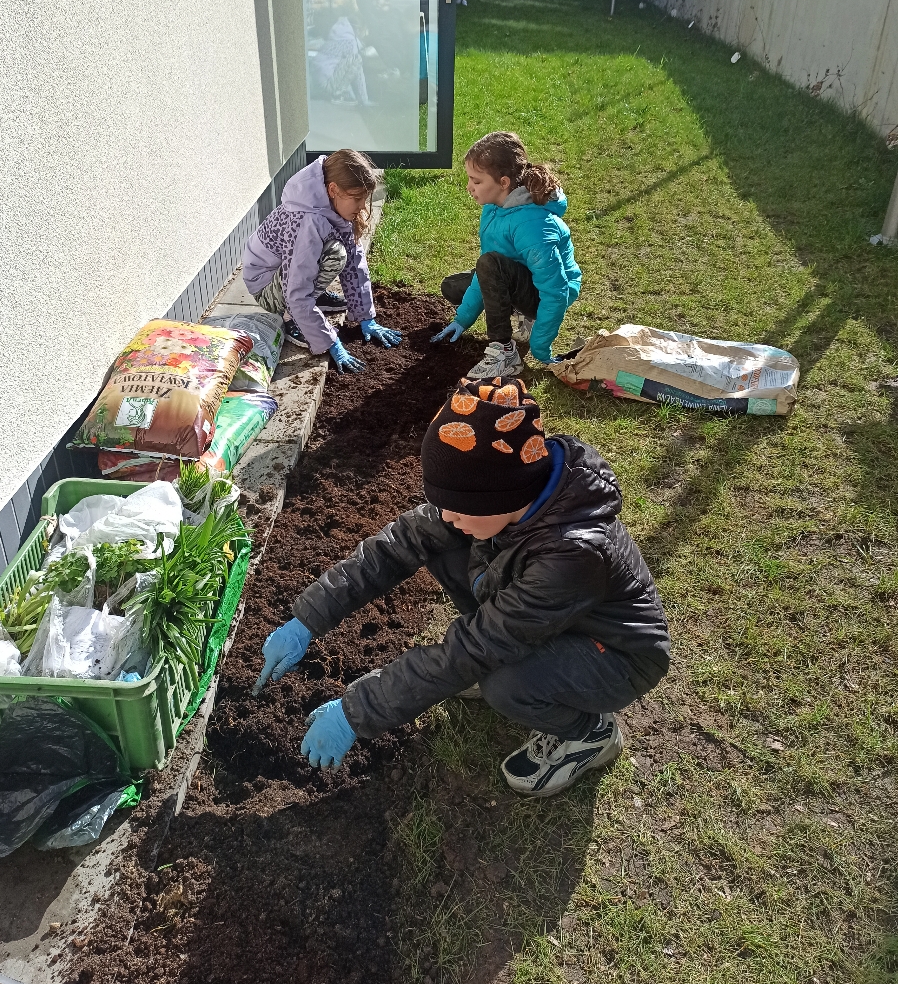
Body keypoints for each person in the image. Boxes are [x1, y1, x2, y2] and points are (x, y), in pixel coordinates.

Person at [253, 378, 670, 798]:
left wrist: (354, 712)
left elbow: (473, 649)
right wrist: (308, 619)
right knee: (442, 547)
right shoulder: (503, 490)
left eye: (458, 507)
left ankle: (590, 733)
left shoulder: (573, 554)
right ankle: (526, 670)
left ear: (500, 497)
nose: (447, 515)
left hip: (617, 654)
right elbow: (397, 544)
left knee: (505, 683)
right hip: (547, 618)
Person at [431, 131, 581, 380]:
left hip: (545, 293)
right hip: (521, 277)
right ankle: (520, 313)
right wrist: (462, 320)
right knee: (454, 286)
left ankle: (505, 353)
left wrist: (540, 349)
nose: (469, 187)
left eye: (476, 181)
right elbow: (488, 269)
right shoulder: (494, 208)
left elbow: (556, 291)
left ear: (503, 182)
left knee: (490, 266)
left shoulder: (533, 226)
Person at [241, 150, 401, 373]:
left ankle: (315, 297)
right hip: (265, 287)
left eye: (364, 198)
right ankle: (291, 318)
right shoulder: (306, 220)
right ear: (333, 190)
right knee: (334, 255)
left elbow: (355, 261)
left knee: (340, 252)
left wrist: (366, 317)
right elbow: (296, 291)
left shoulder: (328, 204)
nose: (362, 206)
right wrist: (330, 341)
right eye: (357, 198)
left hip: (283, 273)